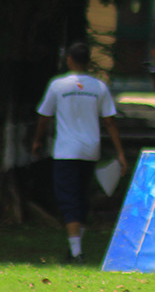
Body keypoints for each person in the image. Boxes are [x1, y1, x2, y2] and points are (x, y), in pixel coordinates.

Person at [32, 42, 128, 264]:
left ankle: (77, 253)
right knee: (82, 198)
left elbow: (44, 116)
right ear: (88, 61)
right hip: (89, 150)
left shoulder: (58, 86)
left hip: (65, 150)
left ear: (69, 60)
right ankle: (75, 248)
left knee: (68, 199)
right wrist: (120, 153)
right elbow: (110, 122)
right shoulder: (98, 87)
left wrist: (37, 141)